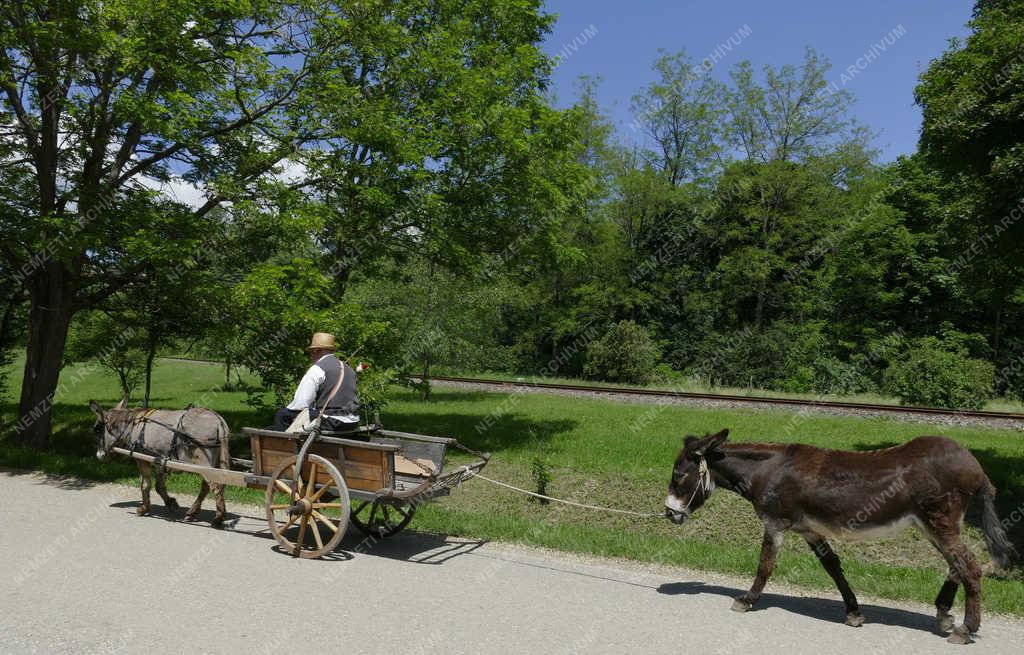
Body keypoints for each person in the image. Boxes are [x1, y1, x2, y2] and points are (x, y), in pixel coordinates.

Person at [272, 332, 361, 433]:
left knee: (283, 415)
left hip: (330, 422)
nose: (311, 355)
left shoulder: (318, 368)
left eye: (311, 352)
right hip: (352, 422)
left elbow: (300, 403)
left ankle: (284, 447)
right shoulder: (349, 369)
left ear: (317, 351)